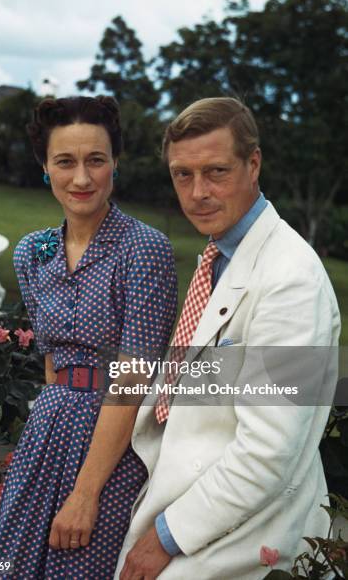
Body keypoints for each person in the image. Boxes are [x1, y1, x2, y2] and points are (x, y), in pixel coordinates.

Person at [116, 97, 341, 580]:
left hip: (243, 535)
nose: (198, 192)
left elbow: (268, 452)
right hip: (191, 501)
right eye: (182, 174)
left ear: (253, 164)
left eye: (216, 171)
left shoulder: (291, 280)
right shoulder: (219, 257)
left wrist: (166, 536)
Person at [0, 95, 178, 579]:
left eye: (96, 160)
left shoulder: (144, 249)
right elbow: (53, 364)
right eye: (64, 162)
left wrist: (85, 492)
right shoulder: (34, 252)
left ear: (115, 163)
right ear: (44, 168)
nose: (81, 178)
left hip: (112, 446)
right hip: (47, 432)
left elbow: (135, 379)